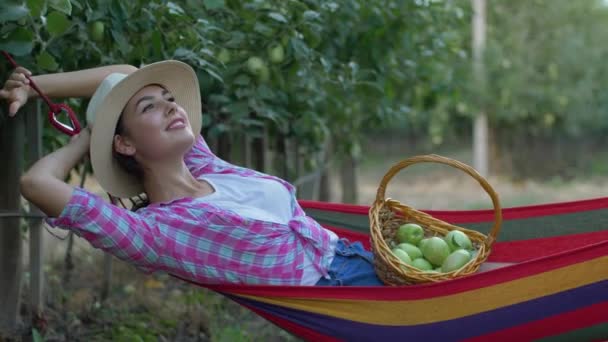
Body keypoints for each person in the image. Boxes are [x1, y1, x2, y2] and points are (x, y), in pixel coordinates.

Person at [1, 60, 383, 286]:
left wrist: (35, 86)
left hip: (362, 256)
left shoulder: (209, 168)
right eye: (151, 107)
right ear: (125, 144)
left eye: (170, 99)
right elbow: (35, 184)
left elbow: (129, 74)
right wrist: (84, 141)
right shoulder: (154, 233)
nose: (171, 107)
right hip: (345, 297)